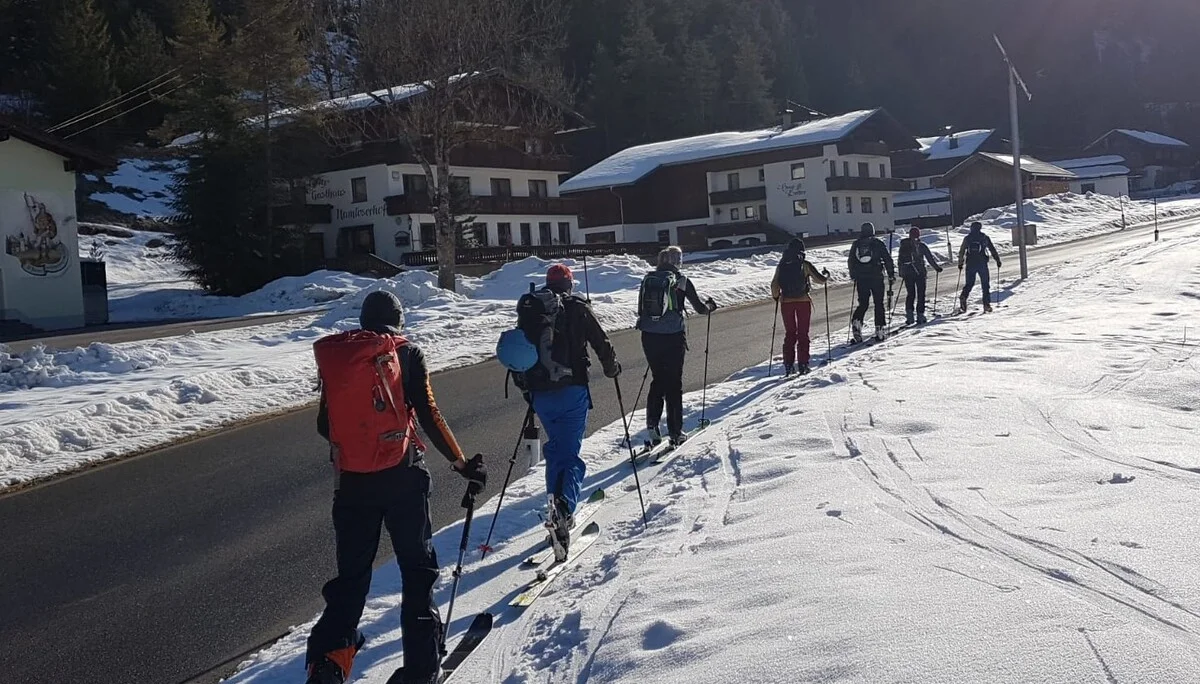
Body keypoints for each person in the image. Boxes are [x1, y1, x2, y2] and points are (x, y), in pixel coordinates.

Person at [306, 290, 487, 684]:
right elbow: (429, 412)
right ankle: (421, 671)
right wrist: (460, 463)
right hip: (403, 478)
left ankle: (328, 666)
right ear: (398, 320)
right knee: (417, 572)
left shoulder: (343, 358)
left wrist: (359, 446)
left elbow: (325, 425)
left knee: (351, 581)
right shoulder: (406, 353)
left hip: (352, 484)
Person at [524, 264, 620, 559]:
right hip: (572, 390)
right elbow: (600, 340)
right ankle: (564, 510)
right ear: (569, 284)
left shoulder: (532, 310)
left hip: (540, 394)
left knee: (556, 450)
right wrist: (611, 367)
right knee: (571, 455)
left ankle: (554, 502)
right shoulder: (578, 307)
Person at [637, 246, 716, 447]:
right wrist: (710, 308)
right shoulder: (681, 281)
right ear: (677, 261)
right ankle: (675, 431)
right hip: (672, 336)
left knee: (658, 379)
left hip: (649, 336)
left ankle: (653, 425)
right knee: (673, 383)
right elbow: (699, 308)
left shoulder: (648, 279)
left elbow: (641, 309)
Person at [770, 237, 829, 376]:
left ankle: (788, 365)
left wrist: (776, 297)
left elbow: (774, 285)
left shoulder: (782, 265)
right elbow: (820, 280)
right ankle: (803, 364)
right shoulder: (804, 264)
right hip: (803, 301)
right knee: (803, 333)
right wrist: (826, 275)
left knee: (790, 334)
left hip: (786, 303)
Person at [847, 222, 896, 342]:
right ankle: (879, 328)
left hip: (861, 278)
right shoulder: (877, 243)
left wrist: (854, 275)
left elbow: (851, 260)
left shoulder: (857, 244)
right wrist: (891, 274)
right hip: (876, 277)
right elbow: (887, 259)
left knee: (863, 303)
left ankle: (857, 321)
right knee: (878, 303)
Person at [897, 226, 944, 325]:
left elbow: (900, 260)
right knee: (921, 294)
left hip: (908, 273)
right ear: (918, 235)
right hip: (920, 273)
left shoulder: (904, 245)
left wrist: (901, 272)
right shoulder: (921, 246)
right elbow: (930, 258)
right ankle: (920, 315)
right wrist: (937, 268)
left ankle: (910, 316)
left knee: (911, 294)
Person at [958, 221, 1002, 313]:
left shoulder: (967, 238)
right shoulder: (984, 237)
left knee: (969, 283)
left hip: (970, 264)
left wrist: (960, 263)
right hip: (982, 263)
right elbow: (992, 249)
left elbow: (962, 251)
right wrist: (997, 260)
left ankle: (963, 296)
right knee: (985, 284)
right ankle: (986, 304)